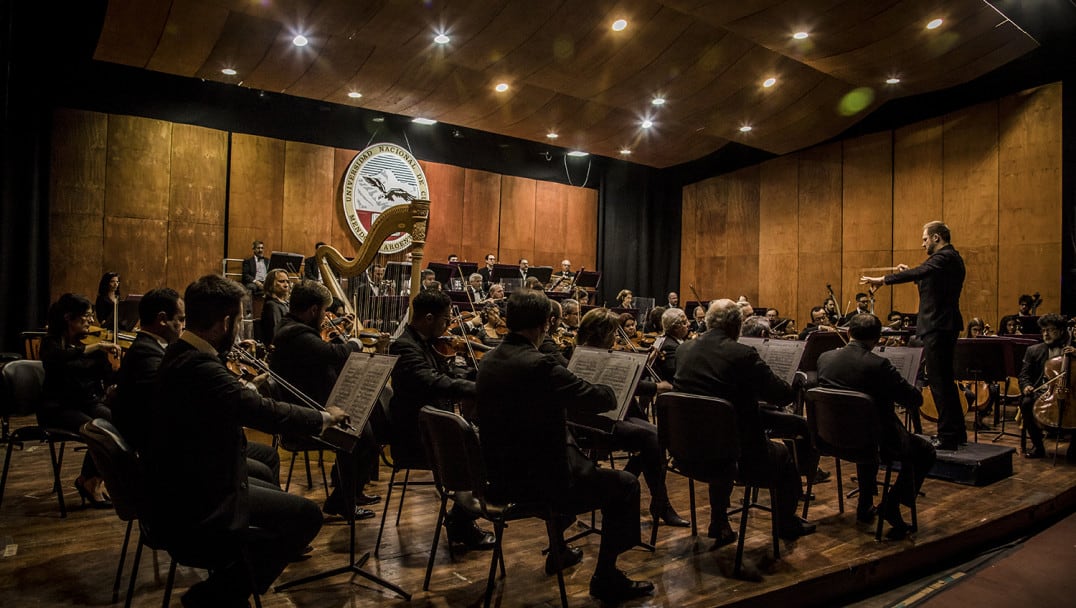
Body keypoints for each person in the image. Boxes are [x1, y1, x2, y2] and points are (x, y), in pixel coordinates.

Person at [145, 275, 349, 607]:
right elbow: (264, 413)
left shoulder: (180, 353)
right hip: (198, 504)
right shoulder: (201, 367)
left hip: (188, 484)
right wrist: (325, 417)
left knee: (272, 484)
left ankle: (232, 579)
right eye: (239, 321)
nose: (239, 330)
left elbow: (230, 402)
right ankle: (214, 596)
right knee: (307, 516)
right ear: (226, 322)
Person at [477, 290, 655, 603]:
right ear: (545, 324)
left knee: (581, 460)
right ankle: (607, 578)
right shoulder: (539, 365)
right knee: (624, 485)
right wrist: (615, 381)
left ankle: (559, 549)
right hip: (536, 483)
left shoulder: (490, 359)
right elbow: (601, 398)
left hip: (497, 477)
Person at [674, 299, 815, 544]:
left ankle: (719, 521)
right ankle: (786, 522)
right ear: (737, 326)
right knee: (782, 455)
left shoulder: (684, 349)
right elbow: (780, 395)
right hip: (737, 454)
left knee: (722, 438)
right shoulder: (742, 354)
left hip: (688, 448)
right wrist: (794, 383)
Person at [112, 288, 283, 488]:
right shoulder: (148, 356)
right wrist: (240, 388)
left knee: (268, 456)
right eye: (182, 319)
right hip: (177, 458)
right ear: (162, 319)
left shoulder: (153, 350)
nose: (184, 327)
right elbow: (179, 407)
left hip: (181, 446)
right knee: (260, 467)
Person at [387, 289, 495, 550]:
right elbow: (432, 381)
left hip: (432, 429)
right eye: (445, 320)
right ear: (427, 318)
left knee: (485, 444)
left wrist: (479, 375)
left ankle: (460, 519)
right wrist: (478, 389)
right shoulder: (404, 346)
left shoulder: (424, 342)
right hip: (416, 438)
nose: (448, 326)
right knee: (488, 454)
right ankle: (461, 521)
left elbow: (448, 370)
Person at [270, 280, 383, 518]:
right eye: (323, 311)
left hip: (315, 402)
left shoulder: (293, 328)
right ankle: (343, 500)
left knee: (371, 424)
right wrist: (355, 341)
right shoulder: (295, 334)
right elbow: (337, 354)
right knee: (363, 436)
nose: (324, 317)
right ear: (313, 310)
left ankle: (349, 493)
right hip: (306, 412)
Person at [816, 313, 936, 538]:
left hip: (831, 440)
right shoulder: (879, 364)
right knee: (925, 451)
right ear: (878, 338)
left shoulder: (825, 358)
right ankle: (891, 504)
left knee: (865, 429)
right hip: (871, 443)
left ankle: (865, 505)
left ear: (849, 333)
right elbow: (913, 400)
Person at [573, 308, 687, 527]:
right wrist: (655, 386)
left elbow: (626, 383)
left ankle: (642, 490)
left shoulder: (608, 353)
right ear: (602, 333)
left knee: (658, 436)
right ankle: (658, 502)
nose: (616, 337)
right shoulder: (583, 356)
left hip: (615, 414)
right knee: (652, 439)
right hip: (591, 421)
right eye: (613, 333)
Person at [862, 221, 966, 451]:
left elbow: (922, 271)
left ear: (937, 238)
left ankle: (948, 436)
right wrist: (910, 274)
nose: (923, 243)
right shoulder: (947, 260)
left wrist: (884, 279)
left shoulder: (945, 257)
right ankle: (957, 432)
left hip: (938, 326)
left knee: (939, 383)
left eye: (925, 239)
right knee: (945, 382)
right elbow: (928, 281)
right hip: (943, 325)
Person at [39, 293, 120, 508]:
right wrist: (92, 348)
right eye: (86, 316)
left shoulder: (92, 343)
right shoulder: (52, 344)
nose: (92, 321)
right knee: (97, 430)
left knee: (119, 423)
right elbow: (56, 360)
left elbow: (108, 375)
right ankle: (91, 483)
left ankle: (91, 479)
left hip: (87, 403)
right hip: (58, 407)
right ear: (68, 318)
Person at [1018, 314, 1076, 460]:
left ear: (1062, 331)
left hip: (1071, 393)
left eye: (1050, 330)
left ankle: (1074, 448)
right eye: (1043, 330)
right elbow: (1023, 376)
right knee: (1026, 403)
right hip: (1044, 393)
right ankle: (1038, 446)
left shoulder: (1072, 350)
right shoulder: (1033, 350)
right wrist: (1026, 386)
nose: (1045, 334)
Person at [657, 307, 689, 382]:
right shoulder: (669, 347)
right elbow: (677, 373)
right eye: (684, 323)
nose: (688, 324)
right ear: (675, 327)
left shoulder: (675, 340)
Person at [259, 268, 291, 344]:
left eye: (287, 281)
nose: (286, 285)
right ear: (271, 284)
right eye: (281, 281)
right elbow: (275, 334)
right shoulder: (271, 305)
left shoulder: (287, 303)